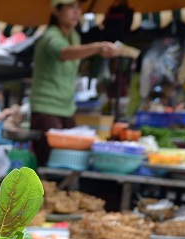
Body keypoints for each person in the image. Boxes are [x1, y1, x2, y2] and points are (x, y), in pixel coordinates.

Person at [30, 0, 121, 165]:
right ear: (57, 11)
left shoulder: (75, 37)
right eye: (71, 7)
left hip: (67, 108)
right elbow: (63, 53)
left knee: (72, 159)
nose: (77, 12)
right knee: (50, 161)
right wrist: (97, 47)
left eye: (79, 8)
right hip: (46, 108)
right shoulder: (50, 35)